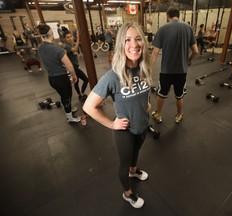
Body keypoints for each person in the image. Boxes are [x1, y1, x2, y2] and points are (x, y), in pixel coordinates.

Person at [83, 22, 152, 209]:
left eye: (138, 39)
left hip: (142, 123)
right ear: (121, 44)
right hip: (125, 130)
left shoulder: (144, 67)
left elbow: (144, 90)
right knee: (123, 163)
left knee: (136, 153)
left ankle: (134, 171)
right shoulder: (113, 76)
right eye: (128, 40)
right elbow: (89, 106)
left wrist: (146, 103)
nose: (134, 44)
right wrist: (112, 124)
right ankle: (128, 193)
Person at [150, 7, 198, 124]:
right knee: (179, 95)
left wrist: (148, 69)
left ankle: (158, 114)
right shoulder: (188, 28)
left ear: (168, 16)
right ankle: (179, 115)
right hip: (182, 71)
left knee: (161, 94)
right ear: (179, 15)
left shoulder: (162, 29)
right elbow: (196, 51)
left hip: (166, 70)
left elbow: (155, 52)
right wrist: (188, 61)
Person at [37, 24, 81, 123]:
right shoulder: (56, 48)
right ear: (51, 34)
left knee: (63, 95)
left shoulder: (40, 47)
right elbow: (69, 66)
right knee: (67, 97)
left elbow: (50, 60)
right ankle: (70, 118)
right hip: (61, 78)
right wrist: (74, 76)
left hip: (51, 79)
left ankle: (69, 110)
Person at [63, 30, 89, 101]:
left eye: (70, 36)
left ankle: (80, 95)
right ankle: (82, 93)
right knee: (86, 80)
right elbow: (74, 50)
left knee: (76, 81)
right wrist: (78, 38)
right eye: (67, 37)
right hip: (73, 67)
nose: (70, 38)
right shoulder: (67, 46)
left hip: (75, 66)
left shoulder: (71, 44)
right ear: (65, 39)